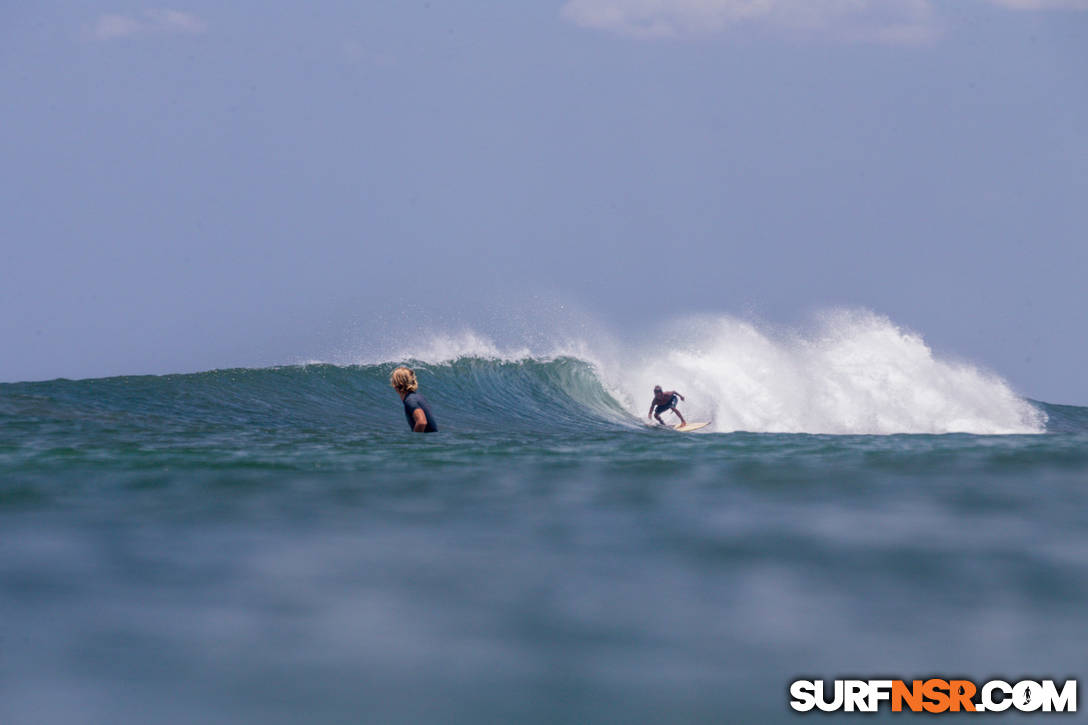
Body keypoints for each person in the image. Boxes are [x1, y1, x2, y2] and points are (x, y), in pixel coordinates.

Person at [390, 366, 438, 433]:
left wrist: (415, 440)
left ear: (397, 383)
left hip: (427, 441)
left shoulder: (410, 400)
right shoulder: (417, 396)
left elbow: (422, 422)